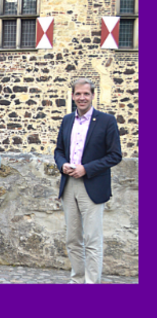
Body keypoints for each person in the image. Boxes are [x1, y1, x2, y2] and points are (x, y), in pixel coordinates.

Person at [54, 78, 122, 284]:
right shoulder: (67, 120)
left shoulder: (107, 121)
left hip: (92, 185)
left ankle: (92, 284)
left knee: (92, 240)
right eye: (78, 94)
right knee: (73, 239)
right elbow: (58, 150)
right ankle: (77, 280)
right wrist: (62, 164)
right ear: (72, 96)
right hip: (69, 185)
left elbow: (115, 155)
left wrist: (87, 169)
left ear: (93, 95)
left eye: (86, 94)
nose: (82, 97)